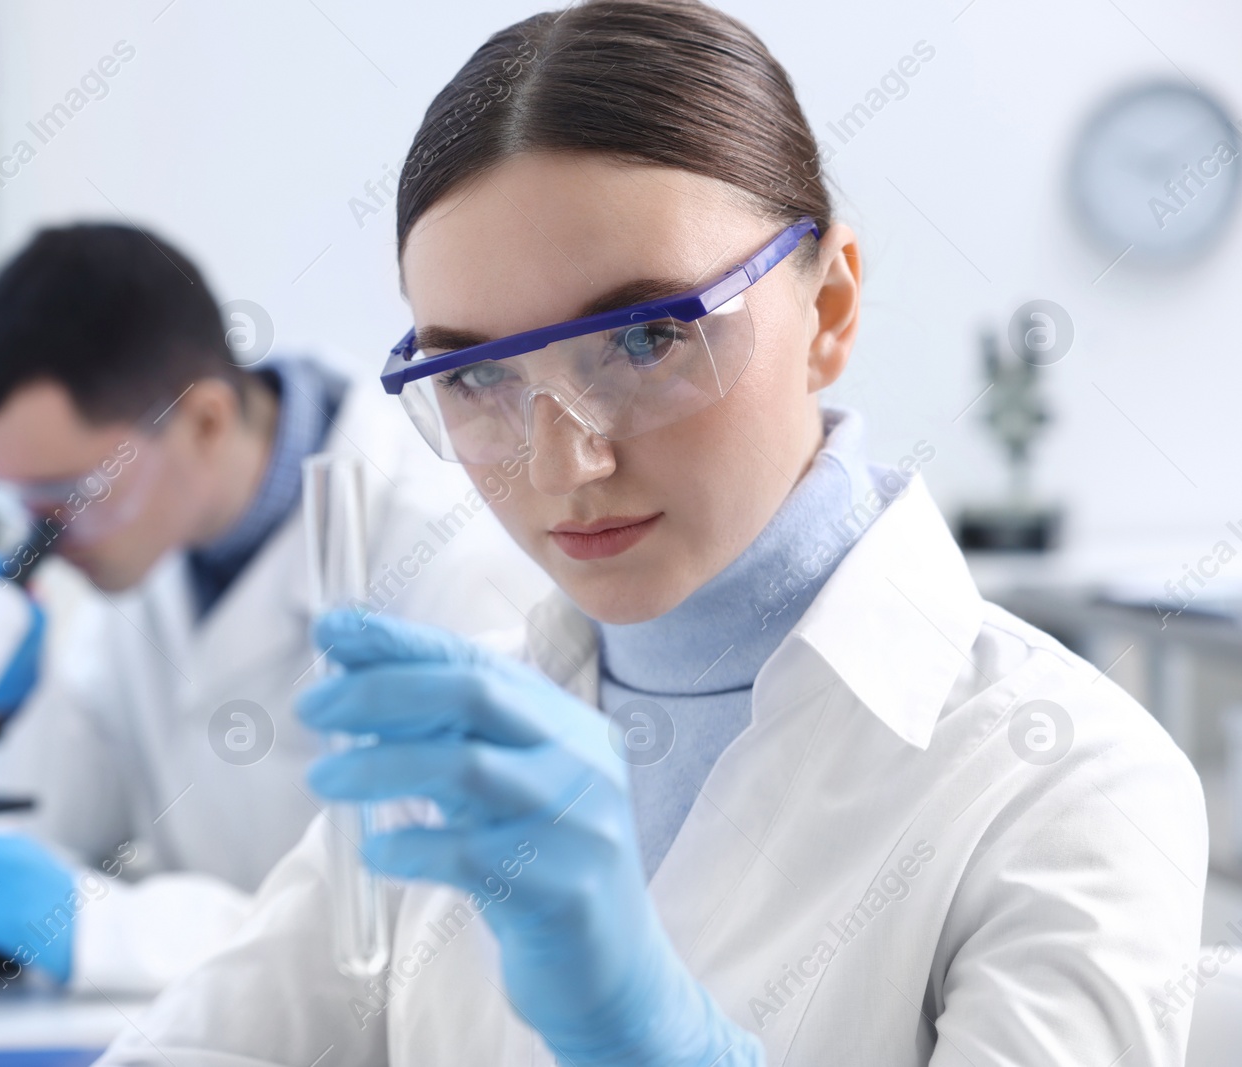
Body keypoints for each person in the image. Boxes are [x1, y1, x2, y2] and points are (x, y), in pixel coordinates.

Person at [95, 3, 1207, 1065]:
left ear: (829, 312)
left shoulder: (1072, 780)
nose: (565, 463)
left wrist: (654, 1042)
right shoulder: (462, 753)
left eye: (644, 343)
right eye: (476, 374)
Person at [0, 224, 552, 994]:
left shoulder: (447, 557)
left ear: (204, 423)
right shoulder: (148, 543)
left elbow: (430, 939)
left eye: (70, 494)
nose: (46, 535)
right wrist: (9, 707)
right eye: (21, 499)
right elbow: (61, 829)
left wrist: (110, 930)